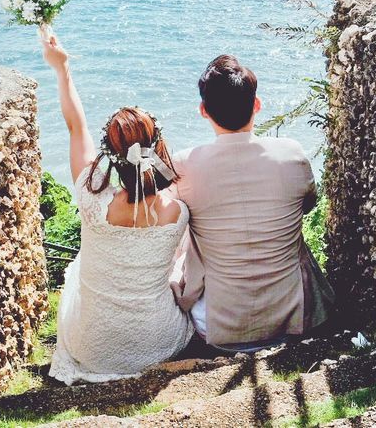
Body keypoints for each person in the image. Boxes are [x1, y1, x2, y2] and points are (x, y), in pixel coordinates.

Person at [41, 32, 194, 385]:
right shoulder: (177, 211)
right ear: (156, 148)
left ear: (110, 153)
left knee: (77, 269)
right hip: (158, 342)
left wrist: (62, 68)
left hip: (92, 346)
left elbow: (74, 126)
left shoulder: (91, 200)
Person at [172, 54, 334, 350]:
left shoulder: (184, 165)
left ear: (203, 111)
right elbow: (307, 204)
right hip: (292, 317)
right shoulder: (292, 154)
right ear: (257, 105)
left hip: (219, 325)